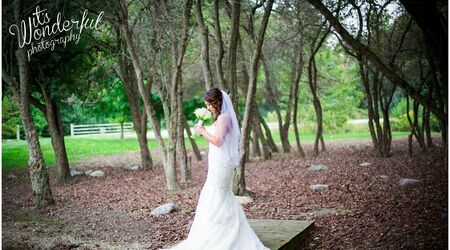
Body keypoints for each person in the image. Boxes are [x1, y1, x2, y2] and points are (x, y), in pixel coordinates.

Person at [161, 87, 269, 250]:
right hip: (217, 161)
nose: (208, 108)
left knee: (216, 193)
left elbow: (218, 141)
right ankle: (214, 232)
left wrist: (202, 131)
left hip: (221, 165)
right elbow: (218, 141)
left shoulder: (224, 118)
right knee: (217, 194)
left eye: (209, 104)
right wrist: (202, 130)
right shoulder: (221, 118)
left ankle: (222, 235)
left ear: (217, 102)